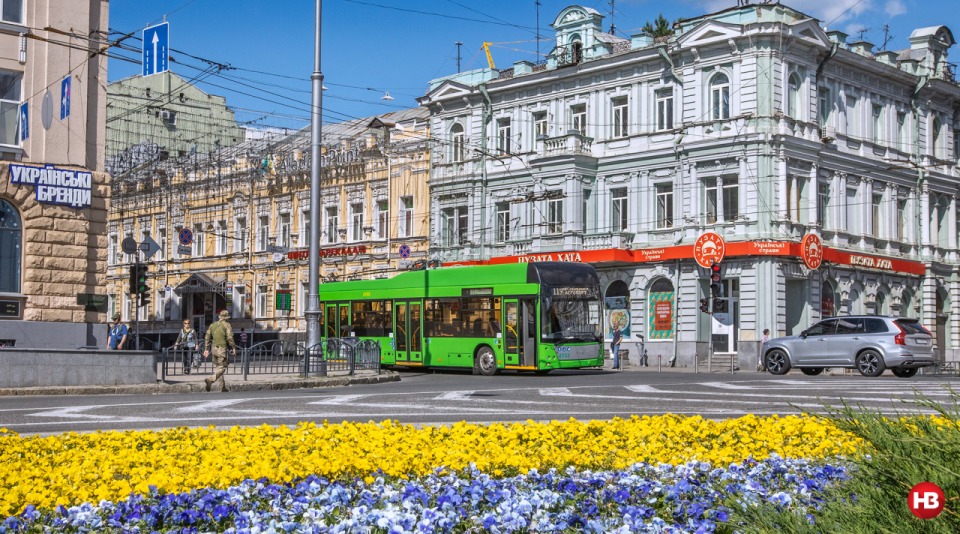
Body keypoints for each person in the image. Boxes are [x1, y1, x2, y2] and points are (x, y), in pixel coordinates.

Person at [203, 310, 237, 392]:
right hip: (222, 348)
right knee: (222, 367)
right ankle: (211, 379)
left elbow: (207, 337)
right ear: (226, 318)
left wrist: (206, 349)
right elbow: (229, 337)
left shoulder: (212, 325)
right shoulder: (227, 325)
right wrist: (233, 348)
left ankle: (222, 387)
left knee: (218, 368)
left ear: (220, 317)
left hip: (213, 348)